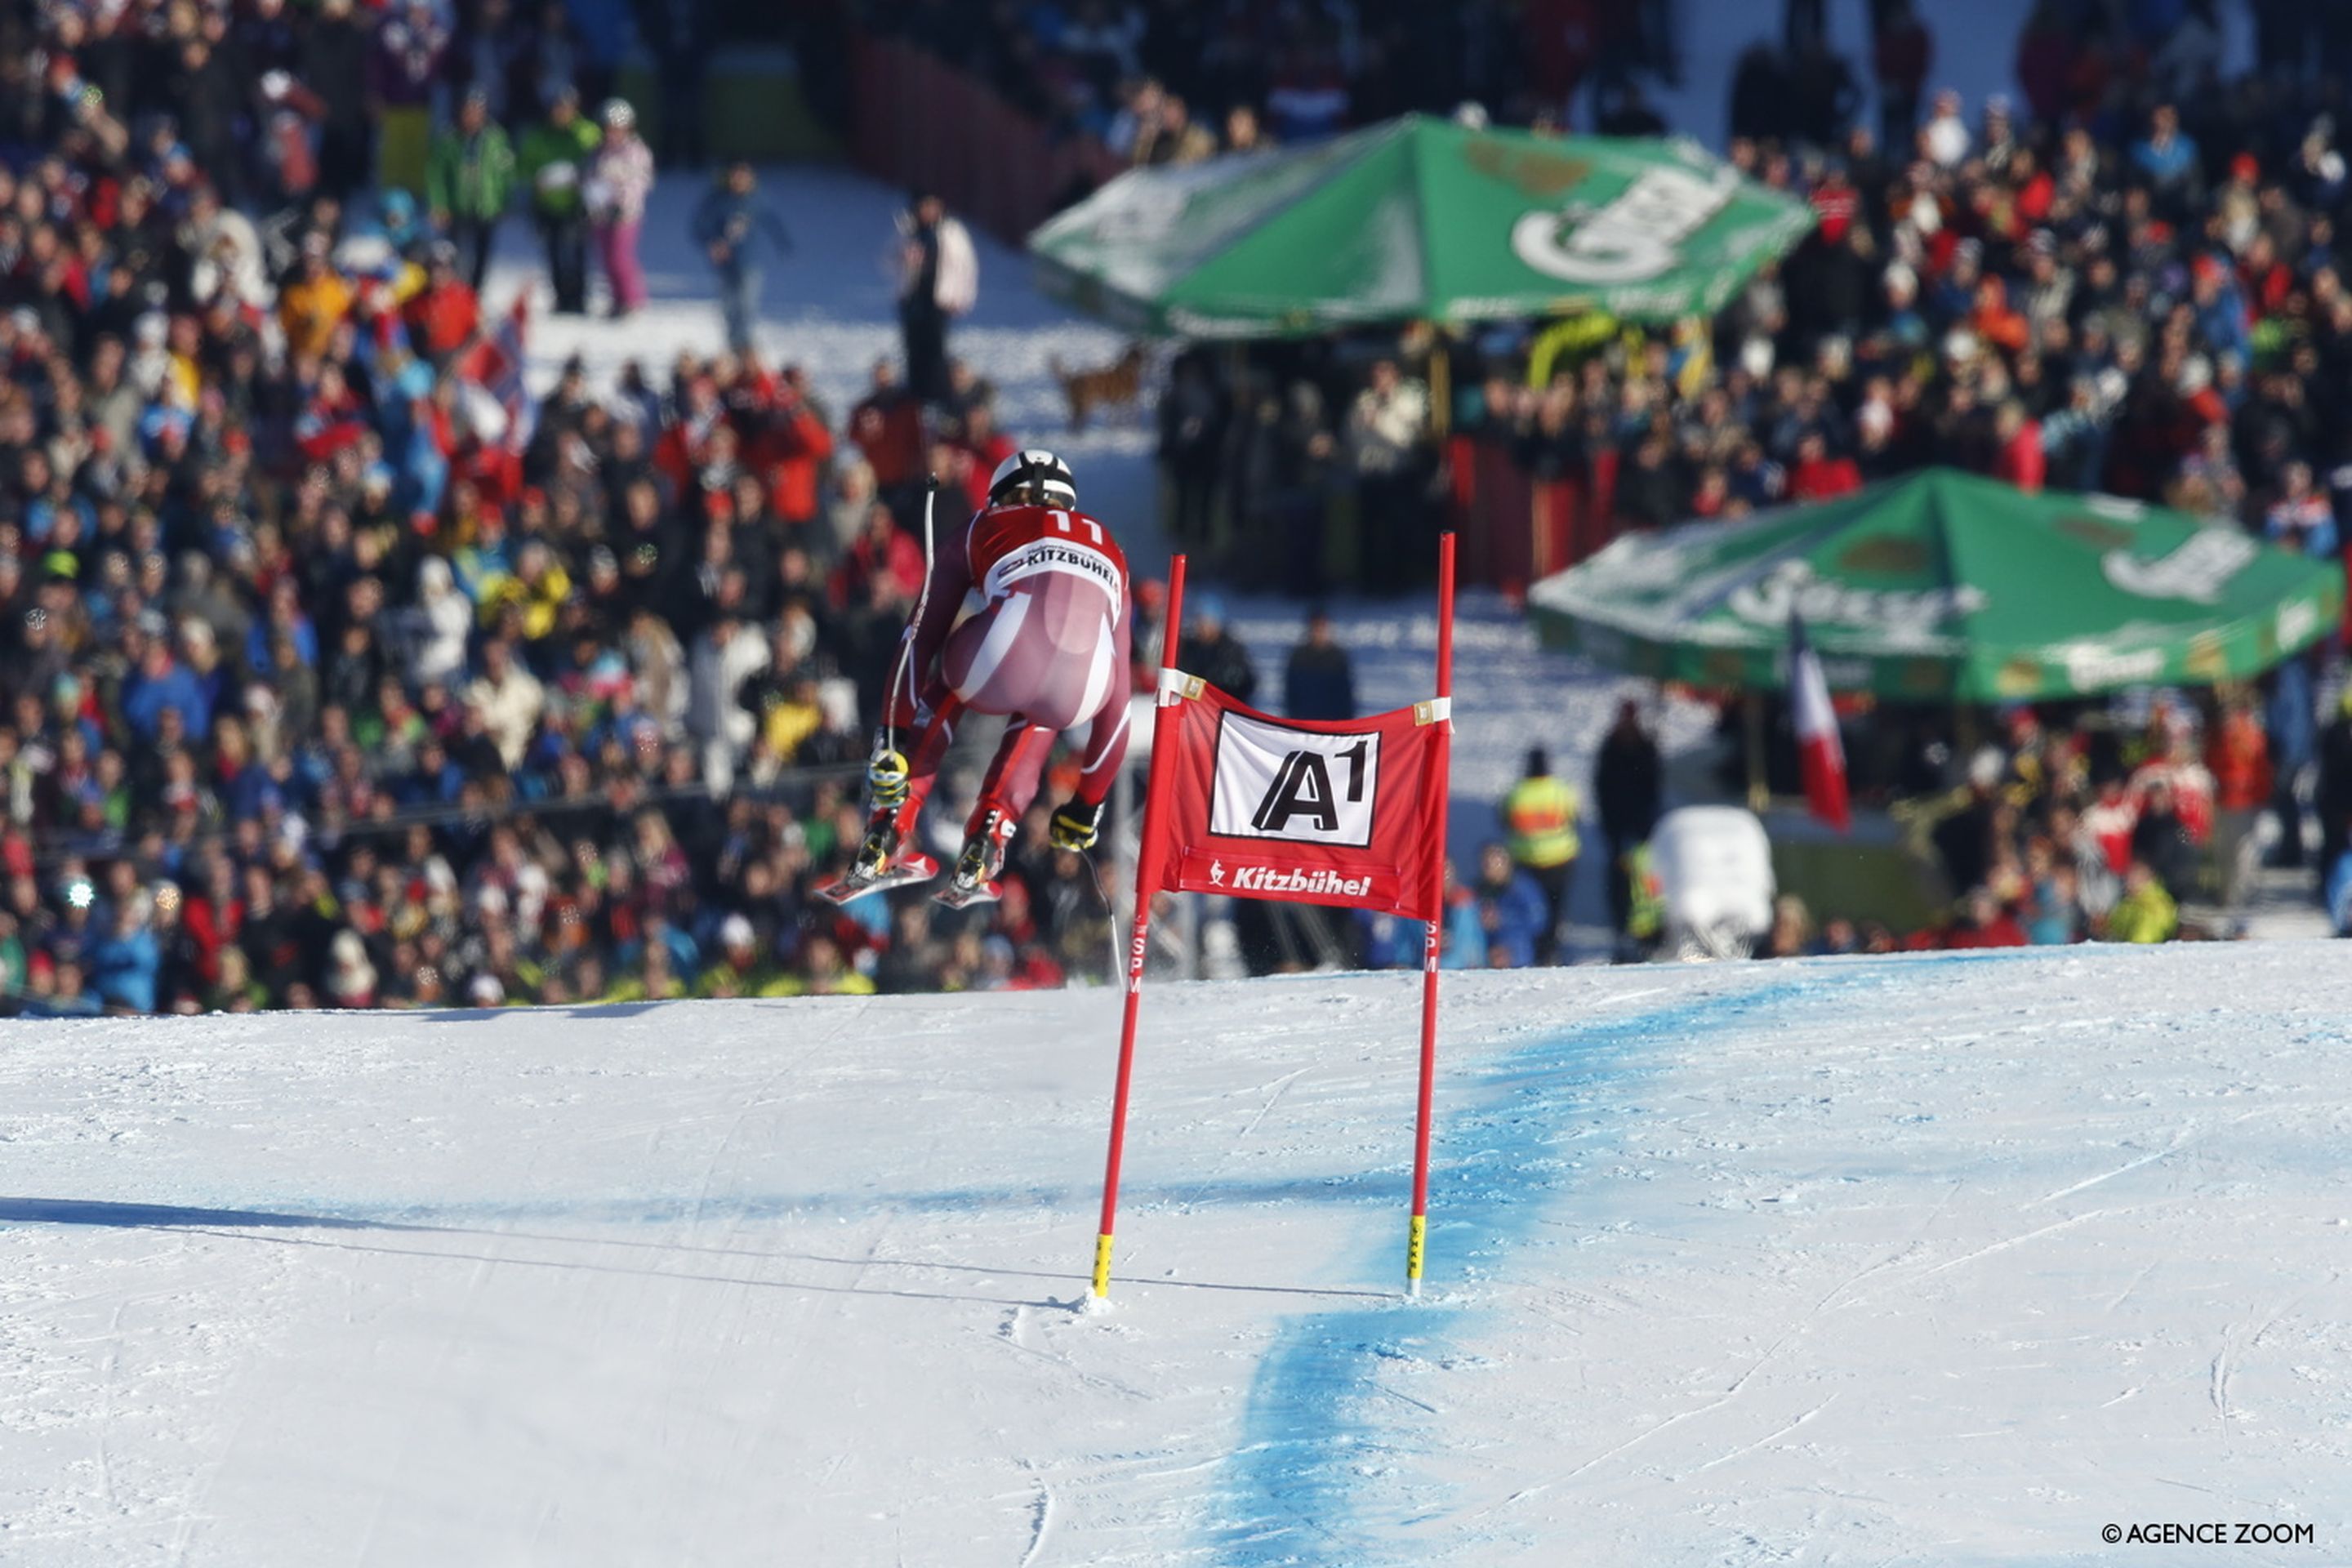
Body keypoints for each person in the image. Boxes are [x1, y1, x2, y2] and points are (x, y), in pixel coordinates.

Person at [844, 451, 1133, 901]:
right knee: (1041, 711)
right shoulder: (1112, 547)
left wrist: (891, 738)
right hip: (1084, 689)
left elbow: (919, 636)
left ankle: (892, 819)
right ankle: (992, 833)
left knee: (950, 681)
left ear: (998, 496)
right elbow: (1120, 700)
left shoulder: (981, 524)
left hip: (1002, 658)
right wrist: (1087, 802)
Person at [694, 163, 795, 354]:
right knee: (729, 305)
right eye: (735, 176)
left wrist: (784, 244)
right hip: (725, 264)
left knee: (747, 304)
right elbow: (700, 225)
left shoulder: (756, 200)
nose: (738, 181)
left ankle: (746, 344)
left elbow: (773, 222)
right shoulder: (718, 200)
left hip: (750, 261)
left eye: (743, 176)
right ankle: (733, 342)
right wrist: (713, 242)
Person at [519, 88, 602, 315]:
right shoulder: (539, 135)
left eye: (567, 108)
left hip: (578, 204)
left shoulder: (588, 132)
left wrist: (582, 177)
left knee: (578, 253)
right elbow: (524, 166)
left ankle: (579, 298)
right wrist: (537, 179)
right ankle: (561, 298)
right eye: (558, 108)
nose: (562, 113)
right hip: (548, 204)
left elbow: (600, 162)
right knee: (553, 252)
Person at [426, 86, 516, 295]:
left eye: (476, 110)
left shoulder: (496, 138)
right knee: (455, 254)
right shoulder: (449, 138)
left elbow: (505, 173)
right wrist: (439, 203)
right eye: (468, 110)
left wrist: (504, 201)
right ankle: (454, 293)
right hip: (458, 205)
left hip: (486, 205)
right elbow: (436, 173)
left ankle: (474, 294)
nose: (472, 115)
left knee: (482, 254)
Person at [1500, 746, 1580, 964]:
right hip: (1560, 861)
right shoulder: (1560, 790)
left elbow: (1504, 820)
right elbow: (1574, 816)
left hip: (1528, 861)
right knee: (1555, 908)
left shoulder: (1517, 793)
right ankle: (1550, 950)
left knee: (1530, 907)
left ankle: (1533, 949)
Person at [896, 193, 977, 407]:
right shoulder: (907, 230)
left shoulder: (950, 232)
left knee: (937, 347)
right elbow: (887, 258)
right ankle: (916, 391)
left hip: (940, 298)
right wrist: (904, 258)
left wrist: (962, 296)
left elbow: (965, 266)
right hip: (913, 297)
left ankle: (938, 391)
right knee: (913, 346)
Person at [1594, 699, 1662, 938]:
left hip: (1641, 823)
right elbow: (1603, 787)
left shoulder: (1644, 746)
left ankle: (1649, 924)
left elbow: (1652, 785)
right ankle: (1621, 920)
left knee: (1644, 875)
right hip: (1617, 823)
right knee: (1620, 873)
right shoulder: (1611, 747)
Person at [586, 99, 655, 319]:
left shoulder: (635, 152)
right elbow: (592, 177)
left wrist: (622, 204)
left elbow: (638, 182)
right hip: (602, 213)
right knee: (606, 259)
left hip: (625, 215)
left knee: (620, 258)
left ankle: (632, 300)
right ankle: (617, 299)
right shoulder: (600, 152)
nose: (612, 133)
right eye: (609, 128)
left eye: (617, 128)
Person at [1282, 608, 1354, 721]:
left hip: (1332, 722)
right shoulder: (1298, 657)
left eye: (1322, 627)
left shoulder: (1337, 657)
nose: (1318, 631)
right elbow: (1291, 694)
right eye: (1315, 627)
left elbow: (1346, 697)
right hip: (1305, 721)